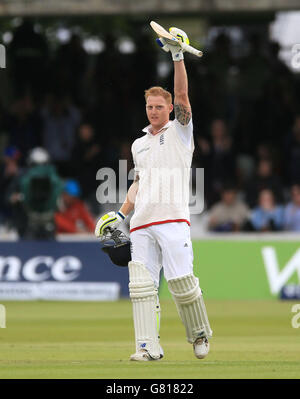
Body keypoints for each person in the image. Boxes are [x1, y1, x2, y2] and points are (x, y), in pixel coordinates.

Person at [95, 27, 213, 361]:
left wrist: (177, 56)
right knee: (141, 288)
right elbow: (138, 183)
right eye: (149, 106)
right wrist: (121, 214)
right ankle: (147, 347)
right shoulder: (139, 144)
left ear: (170, 108)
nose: (153, 111)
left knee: (181, 282)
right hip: (142, 222)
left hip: (173, 218)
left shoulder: (180, 131)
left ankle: (199, 334)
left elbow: (183, 96)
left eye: (159, 106)